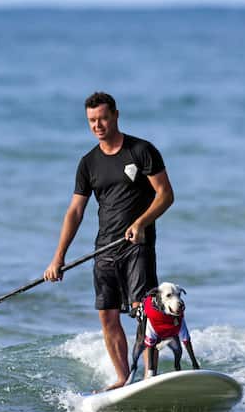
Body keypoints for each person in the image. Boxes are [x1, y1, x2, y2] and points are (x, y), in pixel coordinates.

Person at [43, 92, 175, 390]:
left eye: (102, 118)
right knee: (107, 315)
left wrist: (141, 223)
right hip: (104, 249)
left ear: (116, 115)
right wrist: (58, 258)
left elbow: (166, 194)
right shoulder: (88, 163)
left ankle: (148, 377)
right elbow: (75, 210)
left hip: (137, 246)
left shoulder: (141, 151)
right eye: (91, 120)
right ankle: (121, 378)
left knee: (144, 312)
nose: (97, 125)